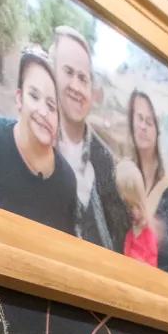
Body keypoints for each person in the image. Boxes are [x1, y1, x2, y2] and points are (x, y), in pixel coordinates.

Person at [0, 48, 77, 233]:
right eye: (34, 96)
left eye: (52, 106)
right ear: (19, 98)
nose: (43, 112)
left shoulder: (66, 182)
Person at [51, 25, 129, 250]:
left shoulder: (106, 161)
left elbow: (120, 240)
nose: (76, 86)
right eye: (68, 72)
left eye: (83, 78)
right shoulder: (35, 143)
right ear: (52, 74)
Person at [127, 89, 168, 277]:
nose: (143, 127)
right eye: (139, 118)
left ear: (158, 129)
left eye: (149, 121)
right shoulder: (121, 180)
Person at [114, 158, 158, 266]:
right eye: (128, 206)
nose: (132, 212)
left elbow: (151, 264)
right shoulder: (127, 232)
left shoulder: (147, 233)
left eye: (136, 205)